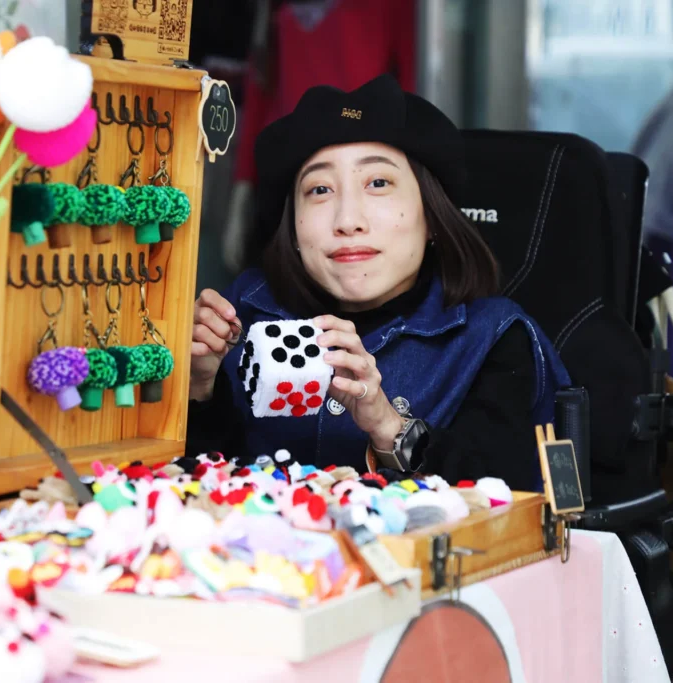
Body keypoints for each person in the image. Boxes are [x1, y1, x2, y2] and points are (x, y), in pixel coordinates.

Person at [186, 74, 570, 490]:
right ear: (293, 228)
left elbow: (514, 499)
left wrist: (389, 427)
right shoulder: (243, 311)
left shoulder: (493, 337)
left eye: (378, 183)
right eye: (319, 189)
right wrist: (195, 390)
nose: (348, 220)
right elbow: (181, 484)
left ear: (432, 217)